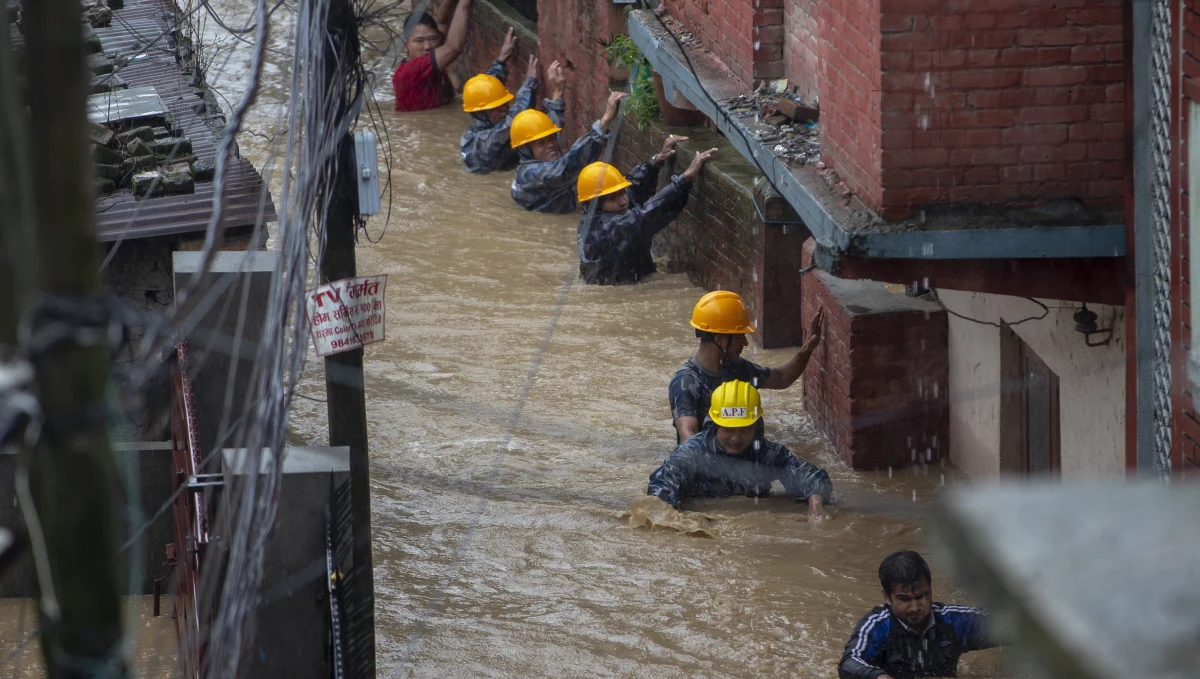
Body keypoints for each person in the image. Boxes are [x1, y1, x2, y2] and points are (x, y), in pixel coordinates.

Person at [646, 380, 831, 519]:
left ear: (755, 427)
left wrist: (815, 503)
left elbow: (809, 475)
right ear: (715, 425)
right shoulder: (691, 453)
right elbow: (660, 491)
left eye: (744, 429)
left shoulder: (767, 453)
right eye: (729, 429)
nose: (736, 438)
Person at [669, 290, 825, 442]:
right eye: (739, 336)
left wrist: (807, 348)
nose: (744, 343)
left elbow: (782, 378)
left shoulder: (737, 368)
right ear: (720, 339)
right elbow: (688, 434)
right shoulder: (685, 382)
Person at [575, 136, 717, 285]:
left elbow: (634, 186)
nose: (623, 201)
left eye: (621, 193)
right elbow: (644, 216)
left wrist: (656, 161)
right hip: (613, 291)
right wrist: (683, 179)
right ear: (594, 204)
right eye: (613, 198)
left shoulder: (613, 206)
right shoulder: (603, 229)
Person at [839, 551, 997, 679]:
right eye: (904, 599)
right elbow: (848, 663)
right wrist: (879, 676)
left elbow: (1011, 626)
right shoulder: (878, 627)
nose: (915, 608)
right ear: (887, 597)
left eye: (921, 596)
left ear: (930, 589)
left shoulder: (953, 621)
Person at [510, 88, 627, 213]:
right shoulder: (529, 174)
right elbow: (567, 167)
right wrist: (605, 121)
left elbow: (552, 125)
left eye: (552, 138)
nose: (551, 145)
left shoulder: (542, 157)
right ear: (525, 149)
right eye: (541, 143)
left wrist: (557, 94)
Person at [460, 30, 539, 174]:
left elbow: (486, 90)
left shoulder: (481, 122)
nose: (504, 109)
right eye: (497, 107)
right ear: (480, 113)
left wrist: (501, 61)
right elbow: (514, 121)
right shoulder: (485, 141)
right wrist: (529, 84)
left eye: (505, 104)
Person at [392, 0, 472, 112]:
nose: (427, 46)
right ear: (406, 44)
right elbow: (454, 47)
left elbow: (442, 22)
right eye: (419, 41)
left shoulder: (435, 48)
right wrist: (464, 4)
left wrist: (448, 3)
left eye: (432, 39)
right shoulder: (409, 71)